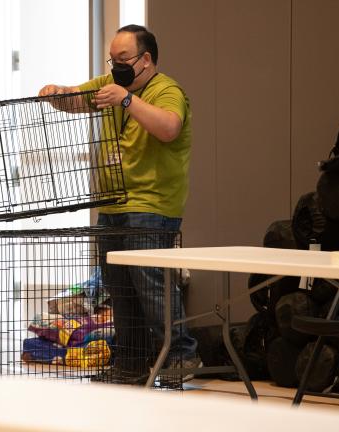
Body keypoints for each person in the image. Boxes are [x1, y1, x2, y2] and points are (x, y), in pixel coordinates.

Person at [39, 24, 198, 384]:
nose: (117, 66)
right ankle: (131, 362)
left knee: (152, 285)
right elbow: (75, 99)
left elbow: (169, 127)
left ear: (146, 59)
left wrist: (127, 100)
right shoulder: (109, 85)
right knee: (119, 286)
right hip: (111, 204)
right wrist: (54, 93)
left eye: (123, 59)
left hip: (151, 206)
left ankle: (180, 356)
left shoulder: (166, 91)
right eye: (112, 60)